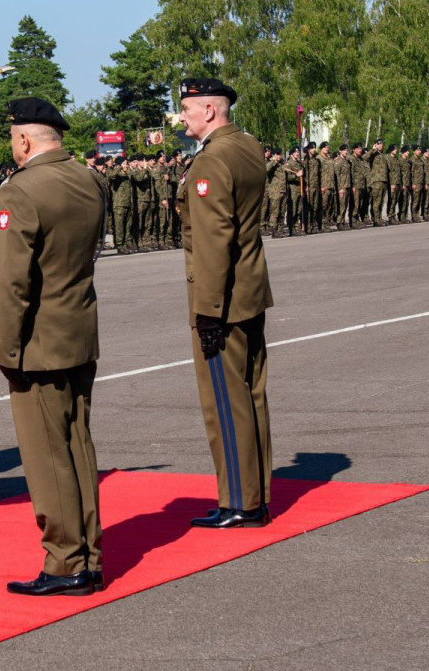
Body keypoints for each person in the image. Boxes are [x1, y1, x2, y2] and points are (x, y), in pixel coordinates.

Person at [0, 96, 107, 597]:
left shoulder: (21, 192)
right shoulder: (88, 179)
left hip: (38, 341)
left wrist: (7, 351)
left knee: (47, 456)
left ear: (23, 139)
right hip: (79, 329)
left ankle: (65, 562)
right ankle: (89, 553)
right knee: (78, 446)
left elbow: (13, 285)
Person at [175, 78, 273, 529]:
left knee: (226, 402)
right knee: (251, 396)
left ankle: (239, 501)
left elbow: (215, 241)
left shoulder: (212, 160)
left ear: (210, 111)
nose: (182, 118)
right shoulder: (247, 147)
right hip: (250, 288)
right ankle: (256, 492)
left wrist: (208, 311)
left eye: (187, 110)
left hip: (224, 299)